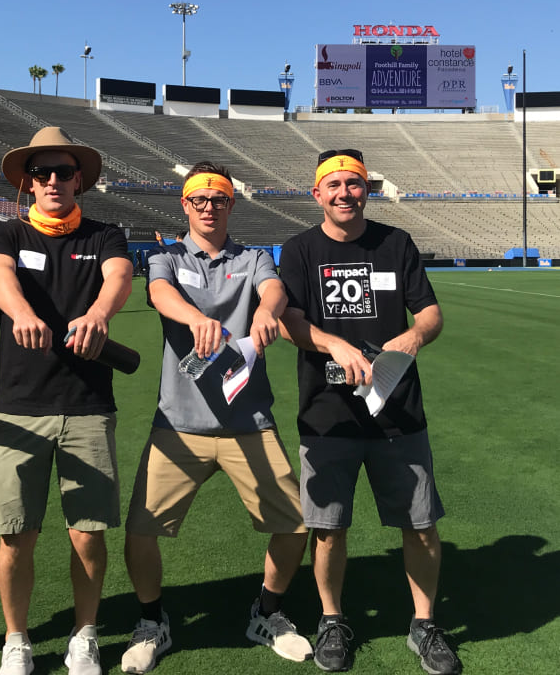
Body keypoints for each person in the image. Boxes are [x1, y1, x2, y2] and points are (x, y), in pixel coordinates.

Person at [121, 162, 312, 674]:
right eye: (199, 199)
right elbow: (159, 295)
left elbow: (273, 289)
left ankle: (267, 614)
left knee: (295, 523)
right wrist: (197, 318)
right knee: (141, 528)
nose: (209, 207)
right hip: (178, 422)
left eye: (219, 199)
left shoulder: (251, 258)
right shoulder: (165, 256)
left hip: (248, 419)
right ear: (184, 205)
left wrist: (267, 312)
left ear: (232, 205)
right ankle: (151, 621)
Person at [278, 150, 462, 674]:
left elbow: (429, 310)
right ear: (317, 193)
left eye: (353, 184)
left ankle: (424, 624)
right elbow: (290, 319)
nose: (344, 193)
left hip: (398, 413)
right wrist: (334, 345)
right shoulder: (299, 250)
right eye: (333, 185)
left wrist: (414, 334)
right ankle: (332, 619)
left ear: (367, 190)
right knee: (329, 529)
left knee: (420, 524)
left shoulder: (395, 243)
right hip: (327, 415)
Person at [0, 127, 133, 675]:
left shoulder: (104, 234)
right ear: (27, 181)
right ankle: (16, 641)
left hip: (87, 406)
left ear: (79, 180)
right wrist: (21, 313)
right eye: (40, 172)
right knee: (15, 535)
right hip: (20, 407)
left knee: (87, 534)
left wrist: (98, 315)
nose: (51, 180)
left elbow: (119, 276)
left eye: (62, 171)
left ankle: (84, 634)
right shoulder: (6, 234)